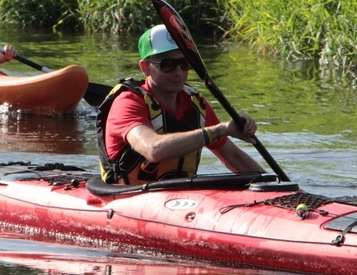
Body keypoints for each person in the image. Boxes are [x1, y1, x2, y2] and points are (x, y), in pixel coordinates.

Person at [96, 24, 266, 185]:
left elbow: (233, 156)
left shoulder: (195, 104)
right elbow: (153, 150)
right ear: (145, 67)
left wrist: (274, 186)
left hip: (179, 200)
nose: (178, 72)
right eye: (167, 65)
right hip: (128, 198)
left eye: (184, 64)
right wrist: (220, 130)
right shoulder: (128, 102)